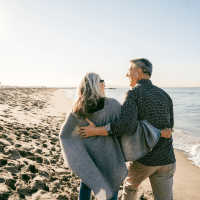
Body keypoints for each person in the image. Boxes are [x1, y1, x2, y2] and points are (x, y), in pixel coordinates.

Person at [80, 58, 176, 200]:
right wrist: (160, 133)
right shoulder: (165, 95)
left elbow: (125, 126)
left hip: (145, 160)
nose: (126, 74)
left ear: (138, 72)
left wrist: (94, 131)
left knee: (130, 189)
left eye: (129, 70)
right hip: (167, 159)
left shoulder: (134, 93)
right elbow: (171, 125)